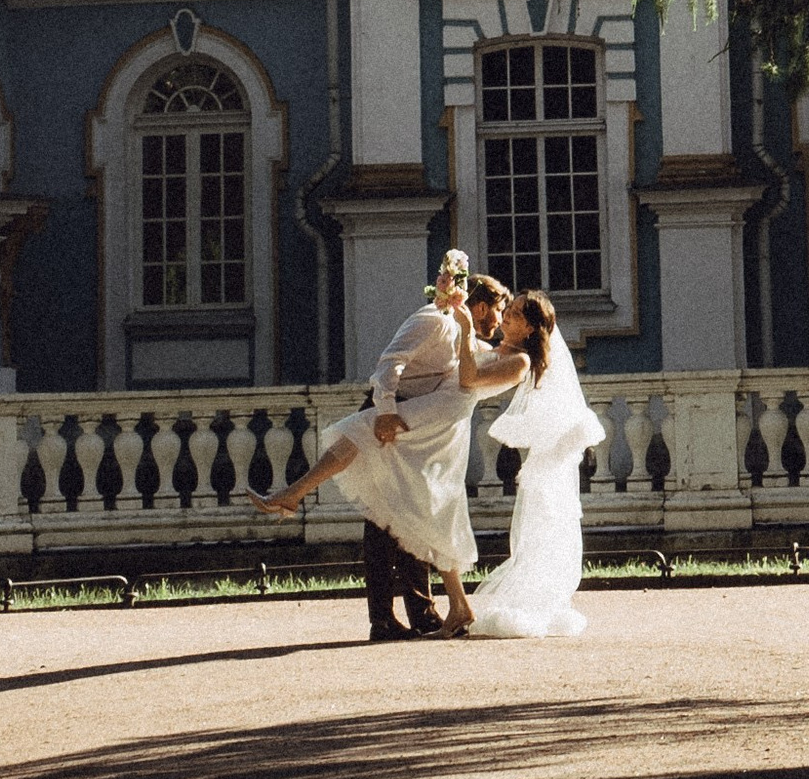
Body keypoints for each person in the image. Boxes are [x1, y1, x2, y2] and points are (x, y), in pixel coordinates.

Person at [259, 250, 522, 636]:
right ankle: (383, 617)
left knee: (413, 511)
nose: (500, 323)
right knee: (385, 522)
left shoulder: (464, 333)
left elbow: (477, 364)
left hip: (420, 418)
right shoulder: (433, 320)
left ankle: (424, 613)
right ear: (480, 306)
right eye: (500, 312)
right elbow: (389, 364)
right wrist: (383, 411)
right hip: (391, 411)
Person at [465, 288, 605, 640]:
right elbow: (490, 353)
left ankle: (539, 602)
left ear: (529, 328)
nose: (506, 317)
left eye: (513, 313)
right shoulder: (520, 354)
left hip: (550, 461)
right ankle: (544, 601)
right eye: (507, 311)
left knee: (543, 524)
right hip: (545, 460)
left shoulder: (526, 362)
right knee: (537, 527)